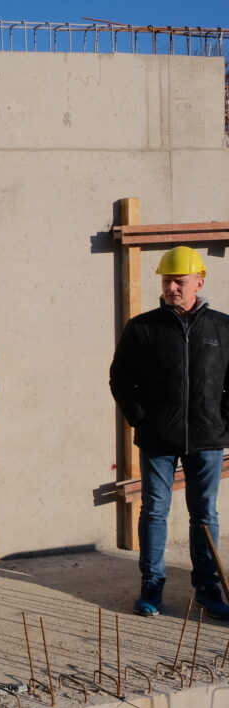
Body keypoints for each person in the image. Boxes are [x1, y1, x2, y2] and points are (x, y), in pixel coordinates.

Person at [110, 246, 229, 618]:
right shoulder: (143, 327)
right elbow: (120, 379)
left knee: (204, 514)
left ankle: (208, 589)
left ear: (199, 281)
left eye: (179, 280)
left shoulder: (223, 327)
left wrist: (225, 420)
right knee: (155, 512)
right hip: (158, 438)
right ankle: (152, 585)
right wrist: (142, 419)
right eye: (166, 280)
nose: (172, 287)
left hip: (208, 439)